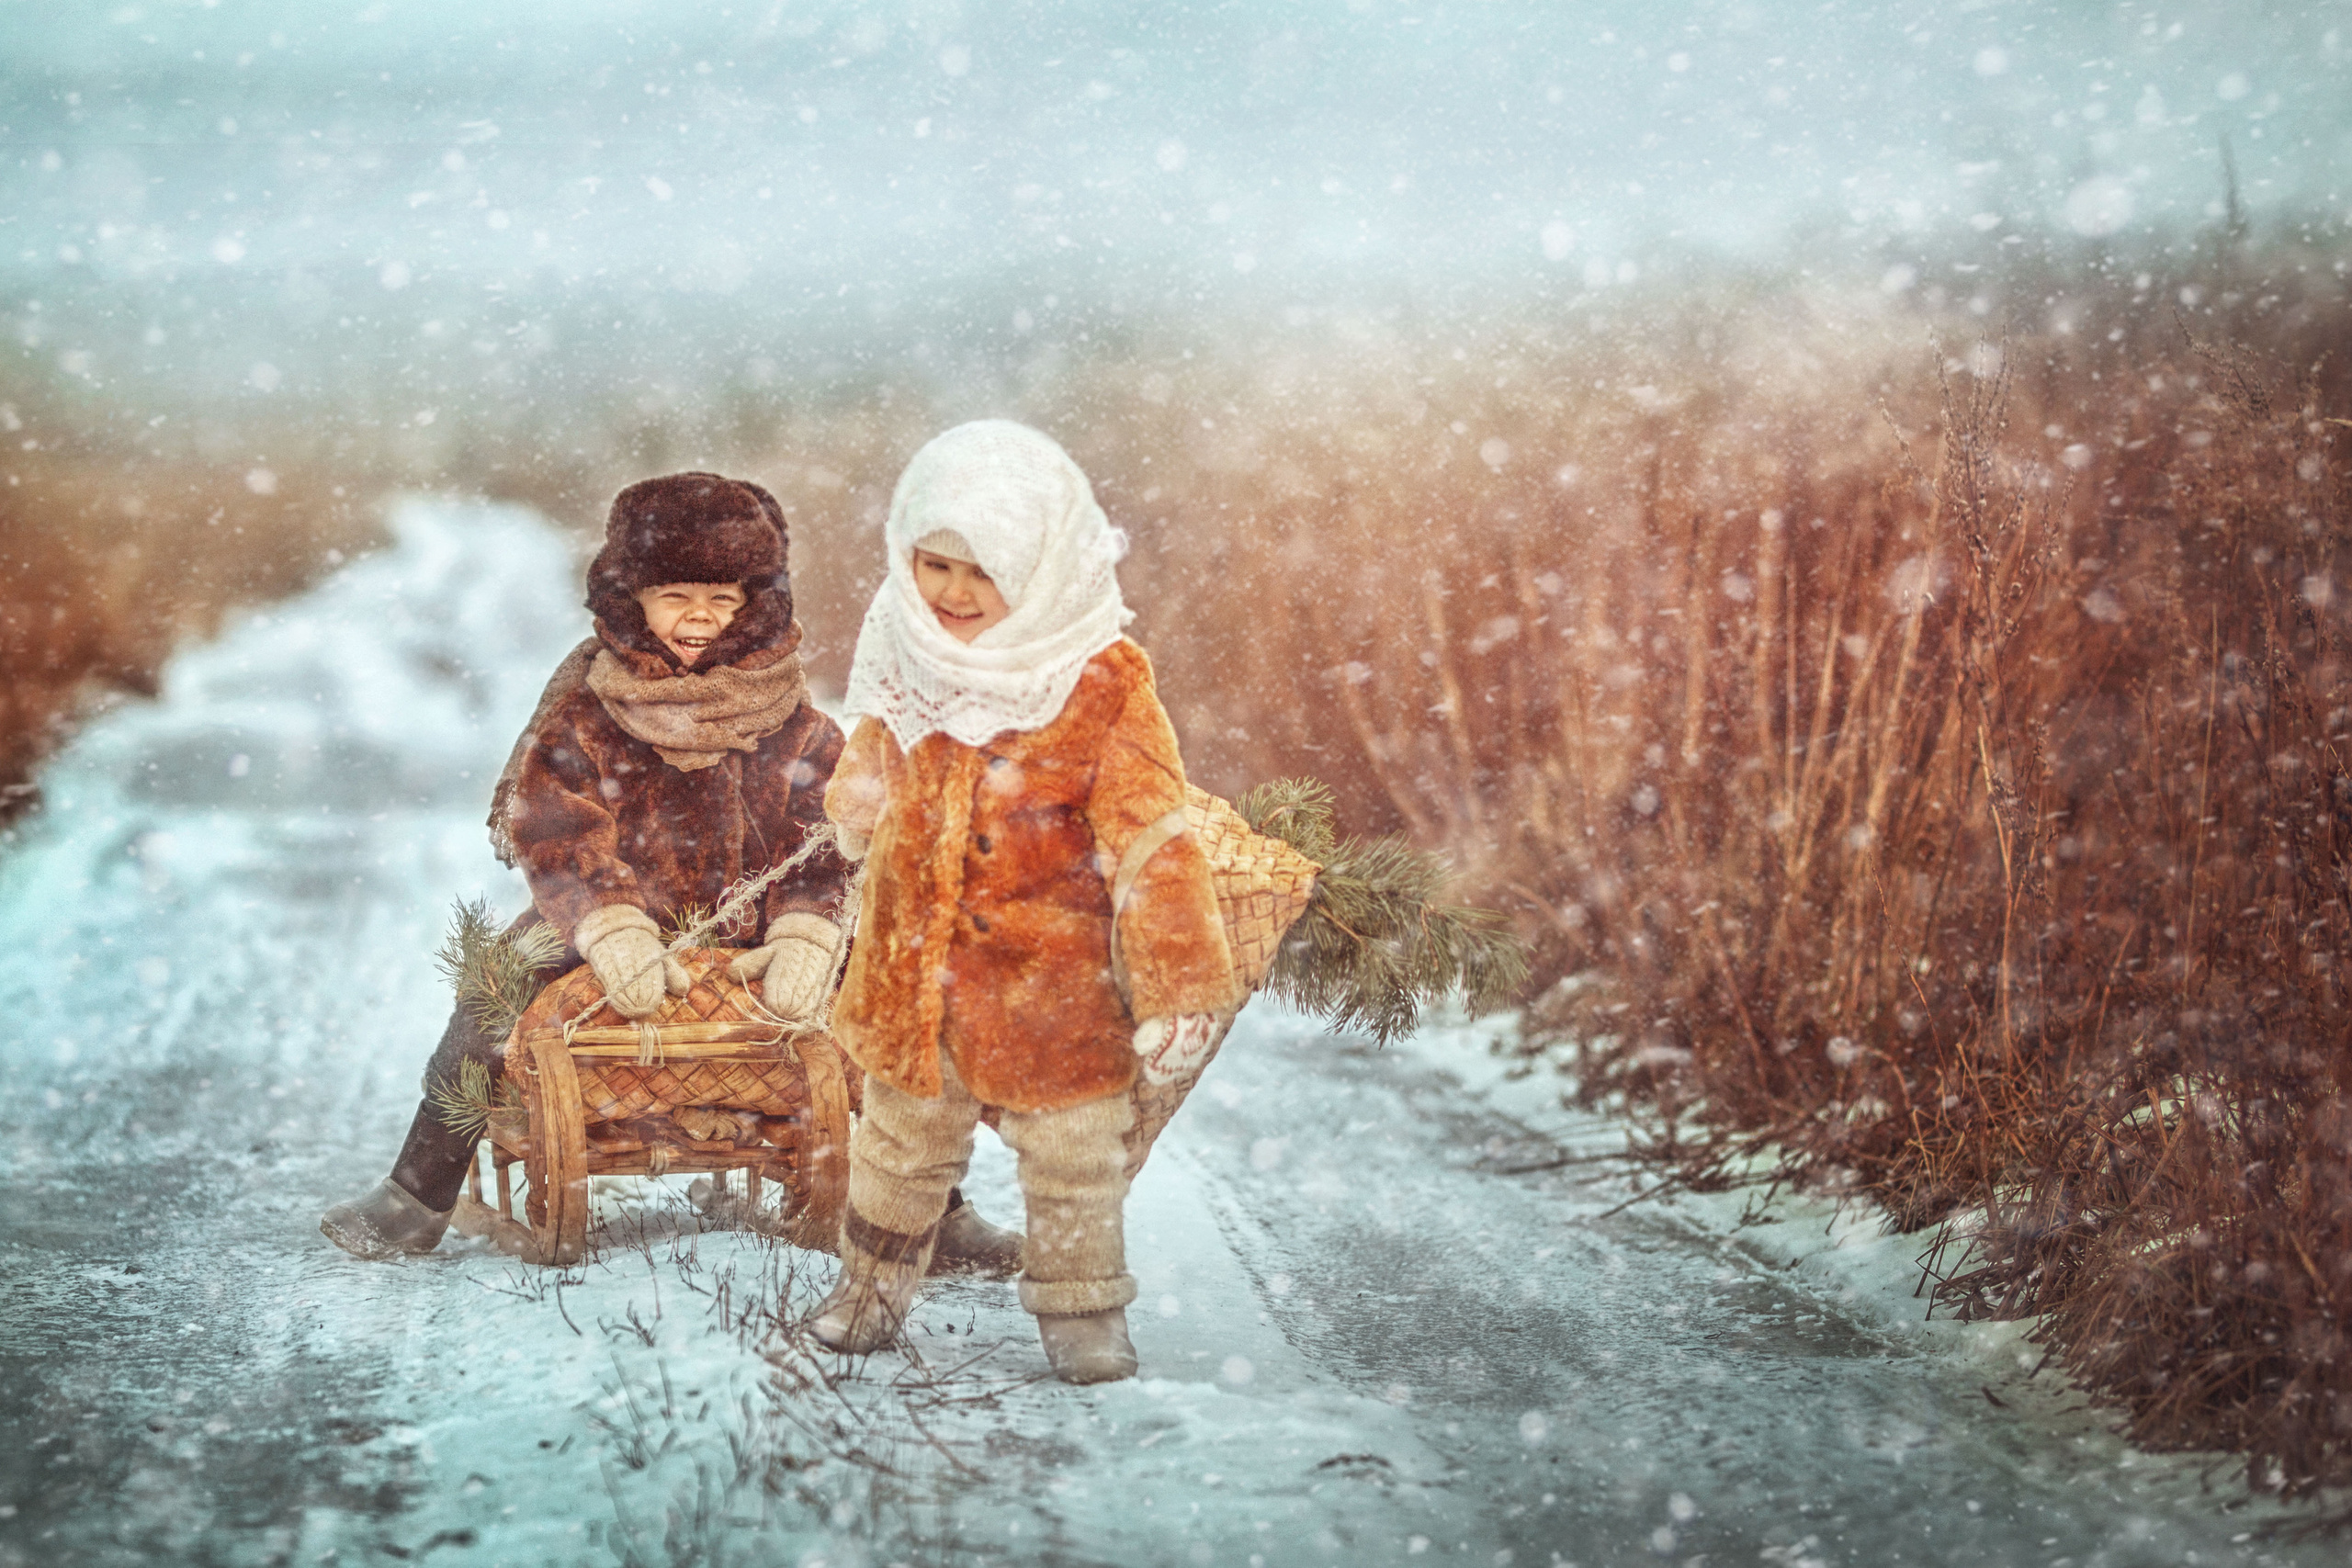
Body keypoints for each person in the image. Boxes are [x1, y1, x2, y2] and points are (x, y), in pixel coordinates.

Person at [318, 470, 1023, 1269]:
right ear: (632, 597)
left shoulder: (792, 718)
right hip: (606, 925)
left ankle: (937, 1206)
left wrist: (806, 927)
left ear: (754, 604)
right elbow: (556, 829)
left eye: (724, 600)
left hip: (759, 925)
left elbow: (830, 833)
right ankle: (417, 1192)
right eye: (677, 595)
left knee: (891, 1014)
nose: (700, 618)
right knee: (493, 1000)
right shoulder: (587, 714)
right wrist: (611, 923)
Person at [809, 421, 1239, 1383]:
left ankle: (1082, 1310)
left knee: (1073, 1153)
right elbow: (874, 743)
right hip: (910, 967)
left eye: (984, 571)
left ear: (1043, 567)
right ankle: (869, 1290)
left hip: (1052, 979)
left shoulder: (1097, 679)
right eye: (936, 564)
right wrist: (861, 797)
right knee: (898, 1142)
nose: (954, 595)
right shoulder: (901, 641)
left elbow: (1152, 839)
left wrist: (1179, 981)